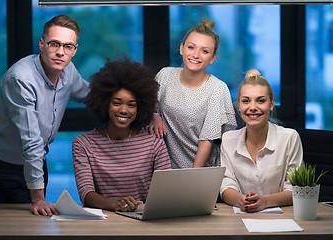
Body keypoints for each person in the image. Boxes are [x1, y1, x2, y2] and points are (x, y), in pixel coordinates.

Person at [0, 15, 89, 216]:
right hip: (6, 170)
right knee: (17, 228)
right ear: (42, 44)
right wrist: (39, 199)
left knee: (37, 224)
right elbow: (31, 141)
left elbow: (91, 95)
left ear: (74, 50)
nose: (60, 52)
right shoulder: (21, 78)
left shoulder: (69, 71)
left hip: (38, 162)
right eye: (54, 44)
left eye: (68, 46)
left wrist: (133, 105)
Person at [72, 58, 172, 212]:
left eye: (131, 105)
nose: (124, 110)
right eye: (117, 103)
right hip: (103, 222)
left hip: (144, 220)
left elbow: (166, 190)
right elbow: (86, 194)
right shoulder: (83, 144)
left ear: (140, 107)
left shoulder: (154, 142)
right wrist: (116, 205)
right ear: (105, 103)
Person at [148, 18, 237, 169]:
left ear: (212, 58)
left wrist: (193, 177)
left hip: (201, 169)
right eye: (191, 47)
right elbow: (147, 106)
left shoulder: (217, 88)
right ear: (182, 48)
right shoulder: (165, 75)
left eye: (205, 51)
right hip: (164, 168)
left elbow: (207, 140)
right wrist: (155, 116)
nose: (196, 55)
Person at [220, 69, 303, 213]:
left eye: (261, 100)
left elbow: (296, 189)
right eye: (246, 101)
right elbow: (226, 185)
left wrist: (265, 201)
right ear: (238, 106)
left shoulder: (289, 137)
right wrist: (240, 200)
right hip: (240, 219)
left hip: (282, 219)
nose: (252, 107)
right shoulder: (228, 139)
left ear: (271, 104)